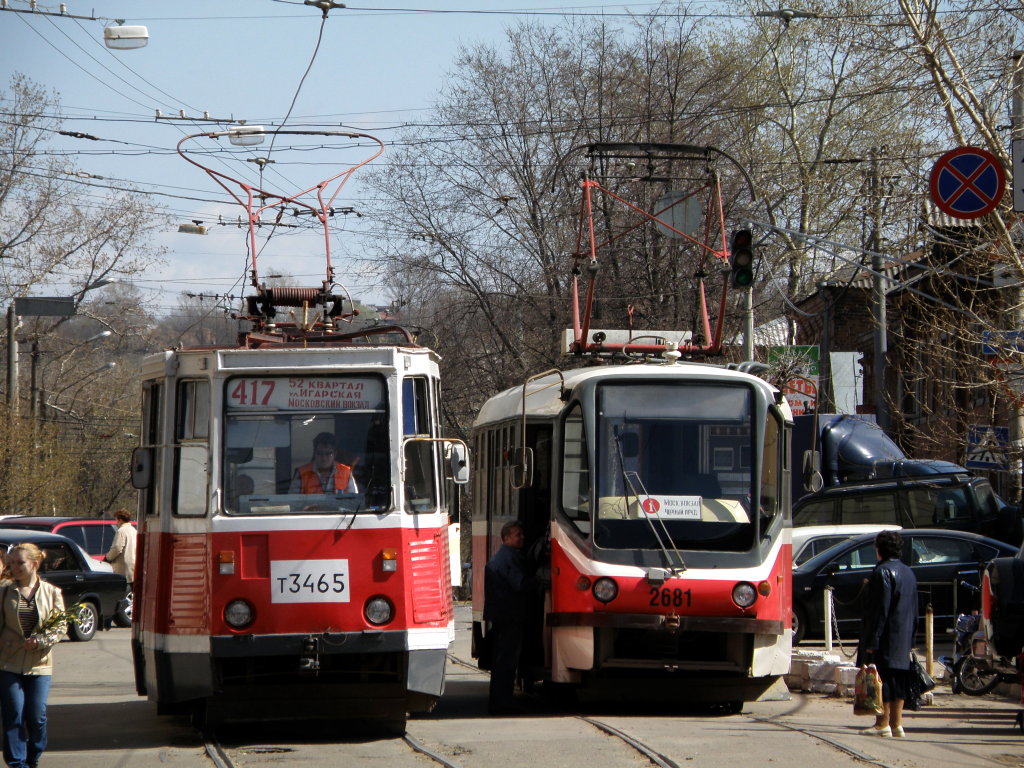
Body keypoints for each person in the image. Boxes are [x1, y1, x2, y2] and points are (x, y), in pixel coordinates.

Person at [0, 543, 66, 768]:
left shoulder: (52, 592)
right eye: (12, 563)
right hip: (9, 662)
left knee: (36, 717)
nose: (15, 568)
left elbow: (60, 627)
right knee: (14, 714)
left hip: (40, 665)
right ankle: (17, 763)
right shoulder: (5, 591)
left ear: (34, 564)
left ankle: (33, 755)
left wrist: (40, 641)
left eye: (20, 563)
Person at [857, 529, 918, 738]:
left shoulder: (882, 572)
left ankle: (882, 724)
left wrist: (873, 639)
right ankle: (897, 724)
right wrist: (912, 638)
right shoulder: (909, 573)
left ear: (879, 549)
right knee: (898, 680)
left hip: (886, 635)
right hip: (903, 635)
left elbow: (881, 610)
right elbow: (915, 609)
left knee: (882, 680)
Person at [484, 520, 526, 715]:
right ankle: (503, 704)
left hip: (501, 615)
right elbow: (520, 584)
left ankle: (499, 702)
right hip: (509, 615)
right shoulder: (509, 558)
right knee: (506, 662)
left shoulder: (501, 556)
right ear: (507, 538)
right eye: (518, 535)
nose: (522, 538)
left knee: (502, 661)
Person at [289, 432, 358, 494]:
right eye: (320, 453)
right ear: (314, 453)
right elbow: (292, 502)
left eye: (328, 454)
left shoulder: (345, 472)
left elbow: (354, 500)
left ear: (335, 454)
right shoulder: (302, 473)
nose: (324, 458)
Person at [105, 509, 137, 587]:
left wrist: (108, 557)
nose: (116, 523)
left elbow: (117, 548)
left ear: (120, 520)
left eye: (116, 520)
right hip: (133, 567)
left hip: (122, 568)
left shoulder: (121, 531)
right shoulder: (134, 531)